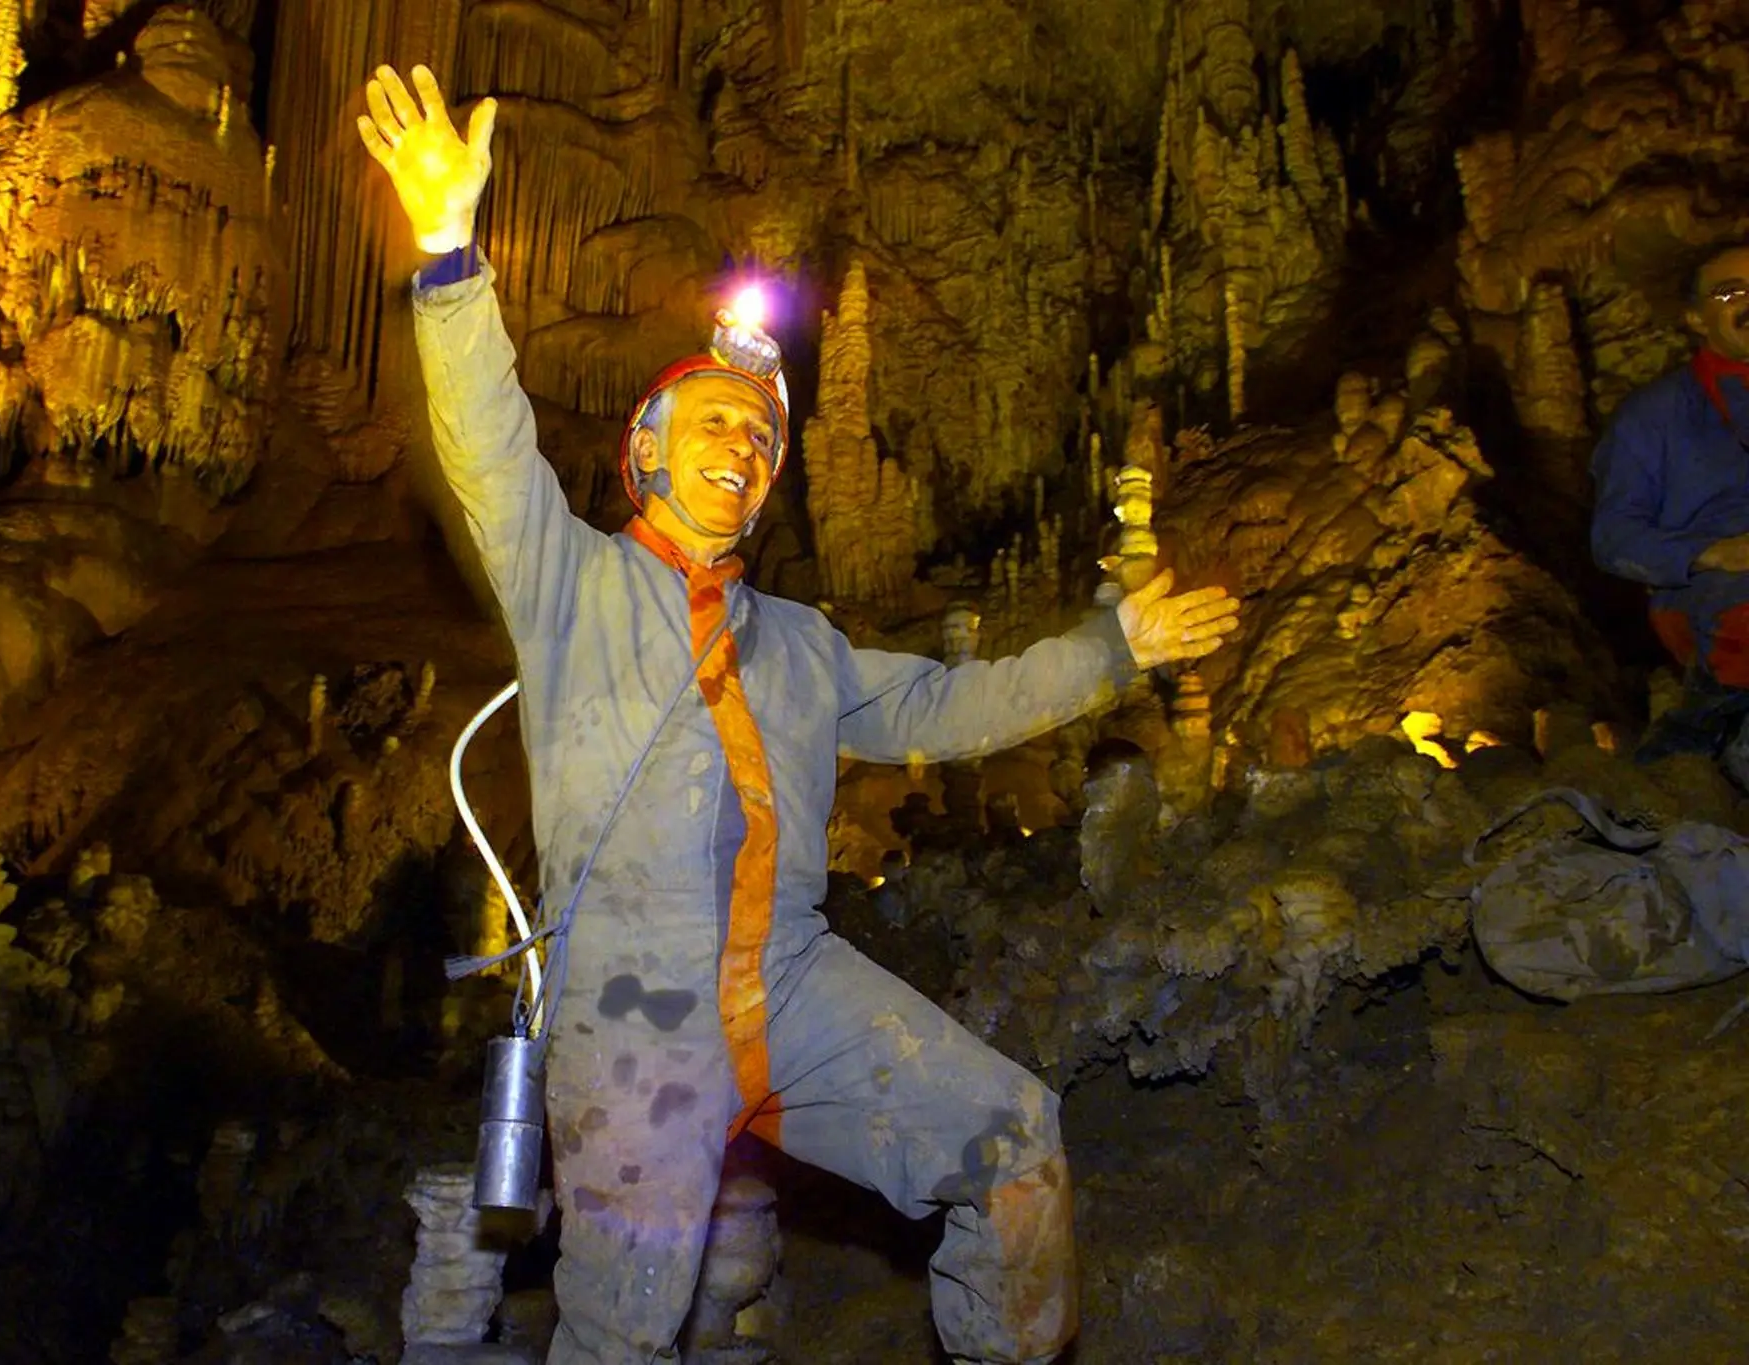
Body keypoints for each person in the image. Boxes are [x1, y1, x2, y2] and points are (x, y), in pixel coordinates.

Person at [357, 64, 1241, 1365]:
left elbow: (952, 705)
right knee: (624, 1328)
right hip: (633, 1002)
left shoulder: (799, 646)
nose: (742, 447)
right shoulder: (570, 583)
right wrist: (447, 250)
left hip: (790, 977)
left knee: (1011, 1141)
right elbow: (487, 444)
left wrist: (1112, 648)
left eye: (762, 441)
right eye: (714, 423)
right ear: (647, 452)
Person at [1593, 242, 1749, 762]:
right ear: (1696, 318)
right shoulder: (1654, 415)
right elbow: (1613, 538)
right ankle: (1696, 741)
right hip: (1715, 592)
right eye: (1730, 292)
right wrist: (1713, 552)